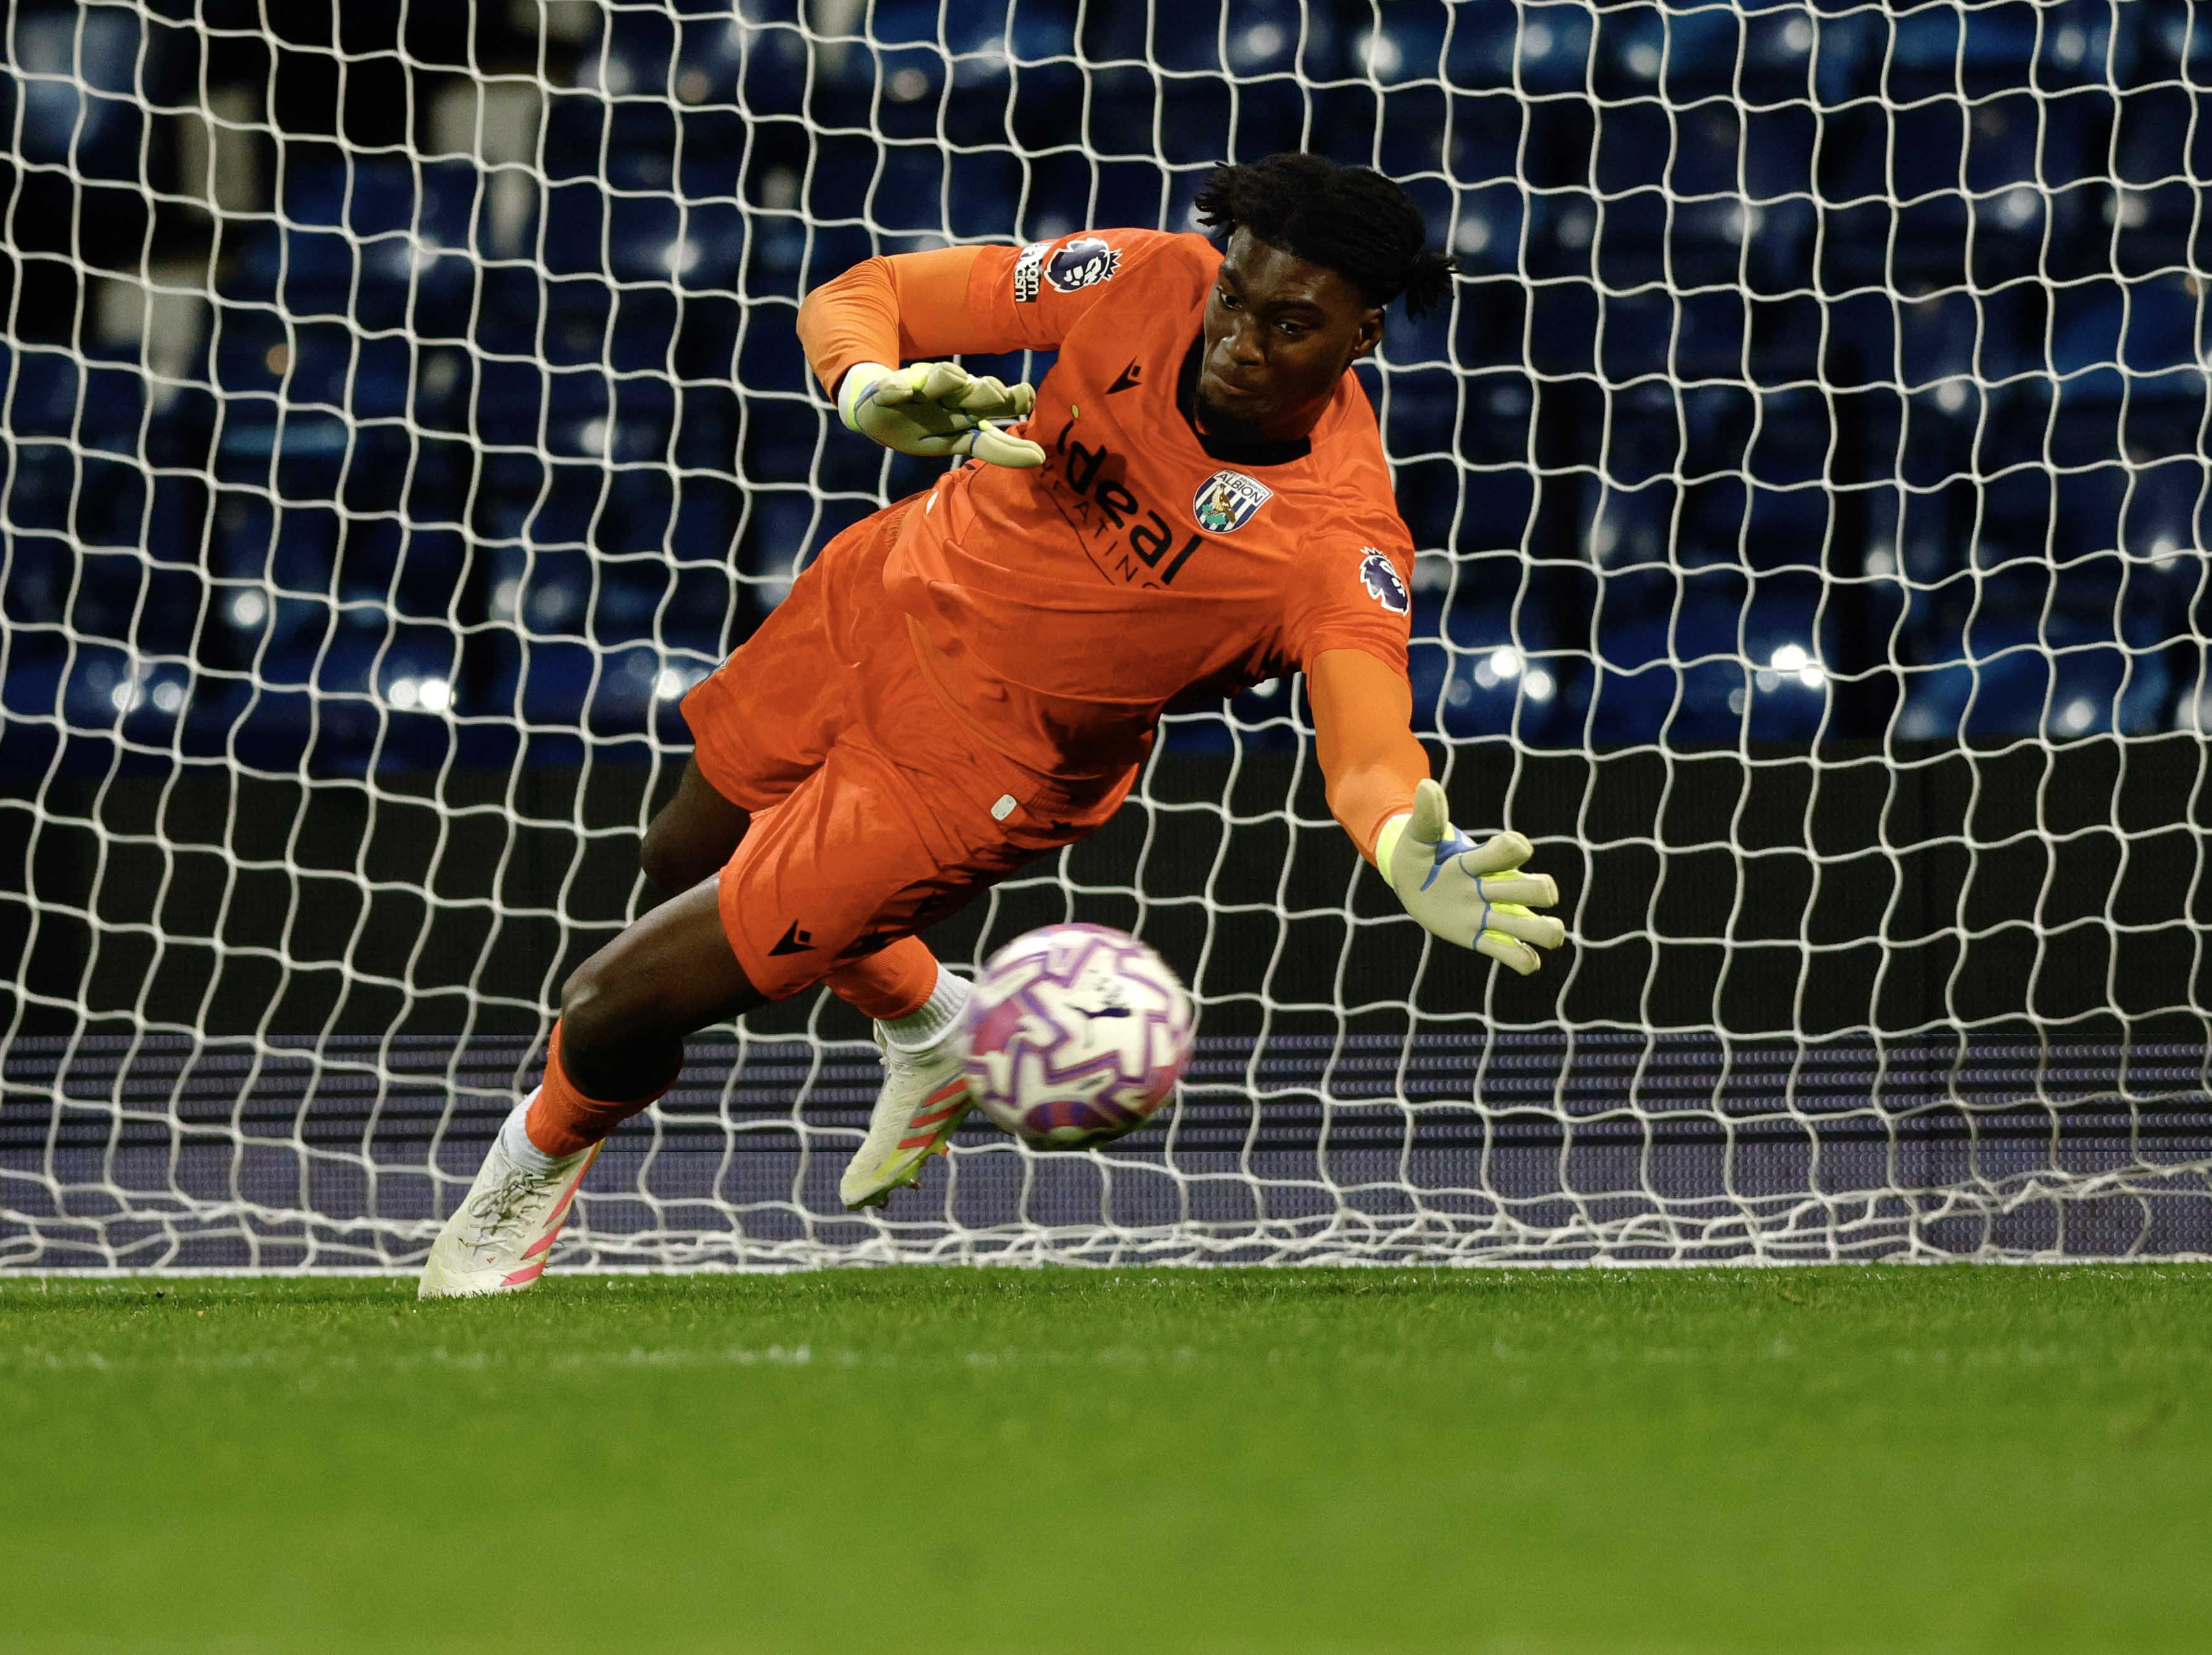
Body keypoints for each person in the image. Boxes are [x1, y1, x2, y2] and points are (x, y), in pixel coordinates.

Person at [420, 153, 1570, 1296]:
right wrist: (866, 387)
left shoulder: (1335, 537)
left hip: (973, 771)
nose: (1238, 339)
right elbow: (867, 296)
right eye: (1235, 296)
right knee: (678, 853)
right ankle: (935, 1026)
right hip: (885, 589)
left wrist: (1398, 841)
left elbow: (1367, 745)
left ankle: (516, 1192)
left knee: (611, 1007)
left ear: (1361, 336)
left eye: (1290, 325)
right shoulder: (1143, 275)